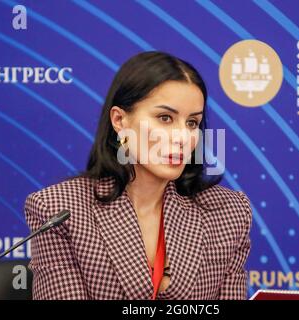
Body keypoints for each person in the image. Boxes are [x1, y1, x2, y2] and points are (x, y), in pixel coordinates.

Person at [24, 51, 253, 300]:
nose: (183, 137)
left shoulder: (228, 212)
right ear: (120, 120)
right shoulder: (59, 210)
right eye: (165, 118)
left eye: (192, 123)